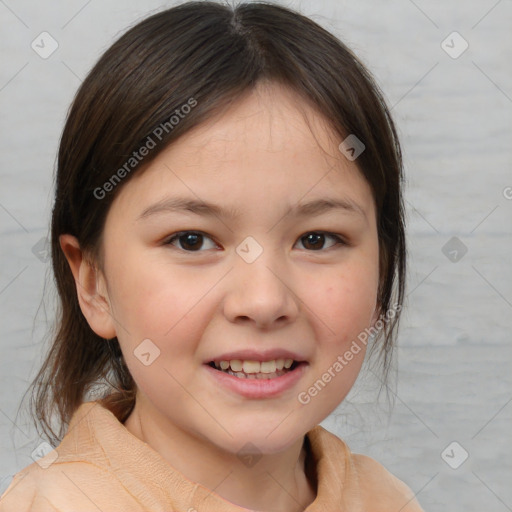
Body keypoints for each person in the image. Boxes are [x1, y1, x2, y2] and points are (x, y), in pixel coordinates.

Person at [0, 1, 423, 510]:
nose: (264, 300)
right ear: (93, 283)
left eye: (316, 239)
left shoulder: (385, 500)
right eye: (191, 240)